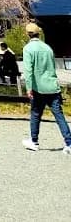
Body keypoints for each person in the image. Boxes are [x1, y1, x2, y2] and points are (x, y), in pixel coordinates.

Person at [21, 21, 71, 154]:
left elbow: (28, 70)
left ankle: (34, 141)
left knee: (36, 114)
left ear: (28, 34)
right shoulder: (47, 48)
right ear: (39, 33)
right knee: (59, 115)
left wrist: (29, 87)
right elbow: (52, 69)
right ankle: (69, 142)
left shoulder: (28, 49)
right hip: (52, 86)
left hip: (38, 88)